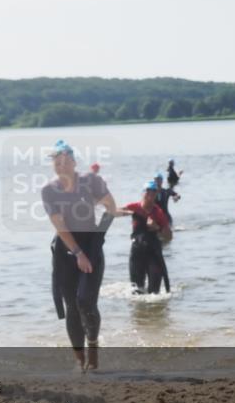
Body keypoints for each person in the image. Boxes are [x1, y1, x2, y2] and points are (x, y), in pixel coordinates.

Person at [42, 140, 118, 371]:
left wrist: (97, 240)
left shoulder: (91, 181)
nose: (61, 165)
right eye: (57, 162)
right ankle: (79, 359)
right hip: (66, 250)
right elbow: (58, 224)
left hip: (92, 247)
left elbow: (111, 208)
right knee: (72, 307)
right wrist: (77, 253)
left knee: (86, 300)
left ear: (74, 162)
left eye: (65, 161)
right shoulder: (48, 191)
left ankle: (93, 348)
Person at [118, 181, 172, 294]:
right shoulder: (134, 207)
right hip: (137, 252)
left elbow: (169, 236)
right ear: (143, 193)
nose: (150, 196)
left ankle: (152, 311)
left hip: (154, 252)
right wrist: (126, 212)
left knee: (154, 292)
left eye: (153, 193)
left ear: (156, 194)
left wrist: (157, 227)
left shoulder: (158, 213)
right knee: (136, 290)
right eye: (148, 192)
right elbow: (115, 211)